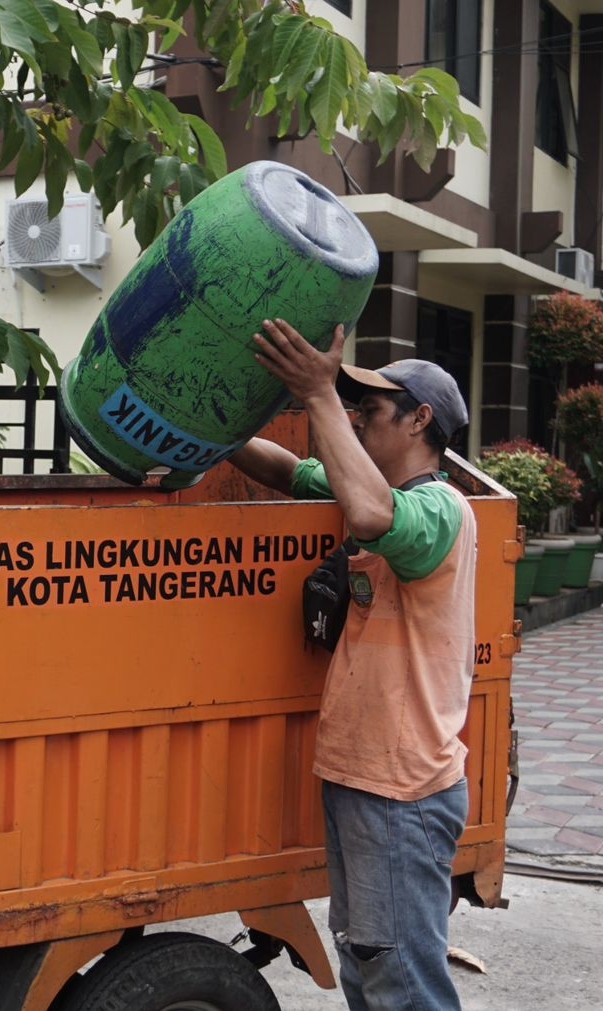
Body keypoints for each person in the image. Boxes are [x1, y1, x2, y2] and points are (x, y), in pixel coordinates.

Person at [229, 319, 475, 1011]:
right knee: (369, 972)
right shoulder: (366, 491)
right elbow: (287, 469)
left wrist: (319, 395)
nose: (361, 416)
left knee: (403, 983)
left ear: (420, 419)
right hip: (362, 777)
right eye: (355, 406)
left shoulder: (439, 511)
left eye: (373, 408)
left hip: (403, 790)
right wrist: (213, 432)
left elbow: (370, 512)